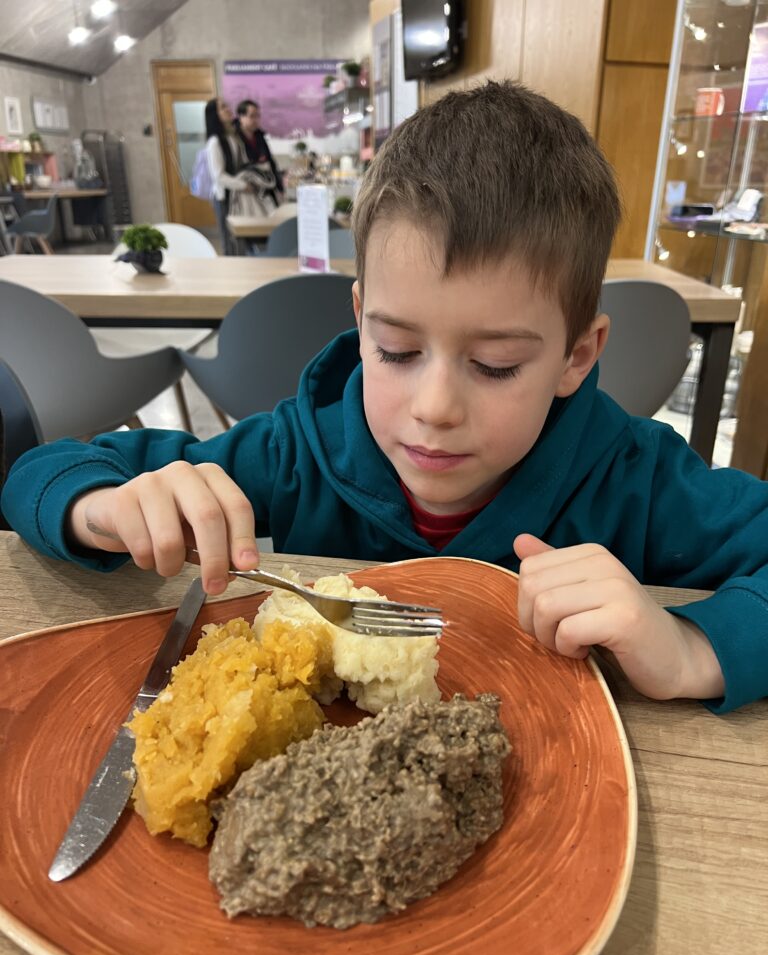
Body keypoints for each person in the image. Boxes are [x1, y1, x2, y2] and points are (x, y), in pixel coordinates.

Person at [3, 81, 768, 715]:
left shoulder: (635, 478)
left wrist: (694, 648)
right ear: (361, 320)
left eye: (496, 365)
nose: (434, 406)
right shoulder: (297, 452)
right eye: (397, 352)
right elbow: (44, 473)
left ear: (577, 356)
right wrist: (96, 507)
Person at [204, 96, 248, 255]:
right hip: (224, 198)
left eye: (227, 106)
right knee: (228, 240)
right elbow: (219, 176)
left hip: (237, 195)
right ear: (215, 115)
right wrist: (244, 185)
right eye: (223, 107)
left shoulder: (234, 137)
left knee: (240, 238)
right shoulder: (214, 143)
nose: (229, 109)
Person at [234, 99, 284, 207]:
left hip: (265, 187)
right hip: (246, 189)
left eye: (258, 116)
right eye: (252, 116)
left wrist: (280, 187)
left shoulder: (259, 135)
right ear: (241, 117)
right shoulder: (234, 138)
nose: (256, 120)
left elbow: (270, 161)